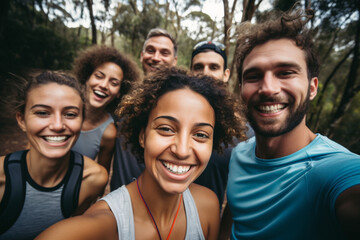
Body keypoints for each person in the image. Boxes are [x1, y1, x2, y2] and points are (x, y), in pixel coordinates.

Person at [35, 67, 248, 240]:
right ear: (142, 136)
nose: (182, 150)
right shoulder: (104, 225)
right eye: (166, 128)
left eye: (201, 134)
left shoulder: (208, 206)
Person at [222, 9, 360, 240]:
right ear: (241, 90)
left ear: (312, 87)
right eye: (253, 76)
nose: (267, 88)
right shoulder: (240, 154)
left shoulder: (336, 171)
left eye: (285, 72)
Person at [0, 71, 108, 240]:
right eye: (42, 113)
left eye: (70, 114)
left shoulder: (93, 179)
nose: (58, 125)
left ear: (81, 121)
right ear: (22, 120)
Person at [110, 28, 178, 190]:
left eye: (164, 53)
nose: (156, 58)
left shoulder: (181, 100)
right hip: (120, 199)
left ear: (174, 61)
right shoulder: (121, 94)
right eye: (150, 50)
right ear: (142, 56)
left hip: (162, 201)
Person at [71, 45, 140, 173]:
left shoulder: (108, 132)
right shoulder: (62, 107)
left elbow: (101, 178)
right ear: (87, 77)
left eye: (113, 83)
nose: (103, 85)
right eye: (98, 76)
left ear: (120, 92)